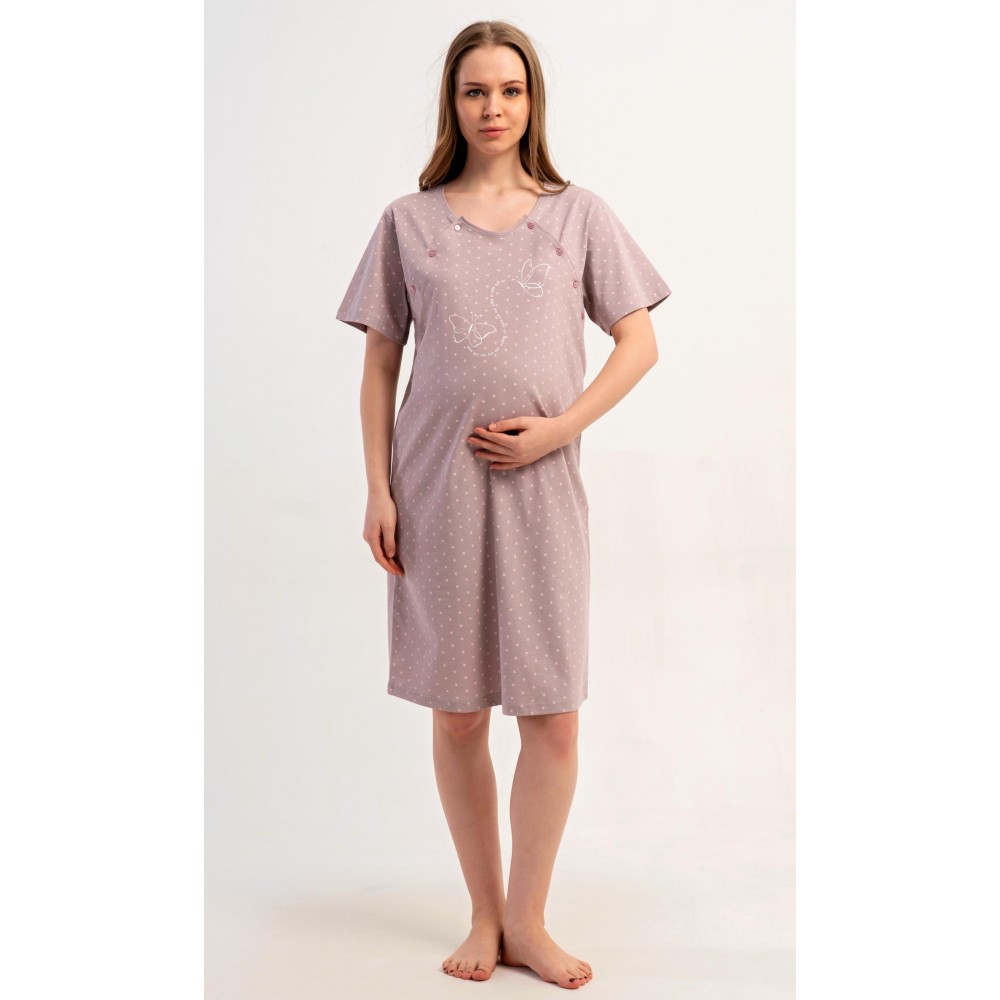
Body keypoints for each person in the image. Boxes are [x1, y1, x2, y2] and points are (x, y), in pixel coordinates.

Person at [336, 20, 671, 989]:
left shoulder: (577, 216)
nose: (494, 108)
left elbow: (639, 342)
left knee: (552, 713)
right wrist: (378, 488)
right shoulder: (408, 222)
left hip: (542, 491)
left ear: (533, 102)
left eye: (511, 90)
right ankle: (484, 914)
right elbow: (380, 362)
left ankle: (529, 918)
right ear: (453, 102)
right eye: (475, 90)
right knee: (456, 714)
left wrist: (560, 428)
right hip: (434, 488)